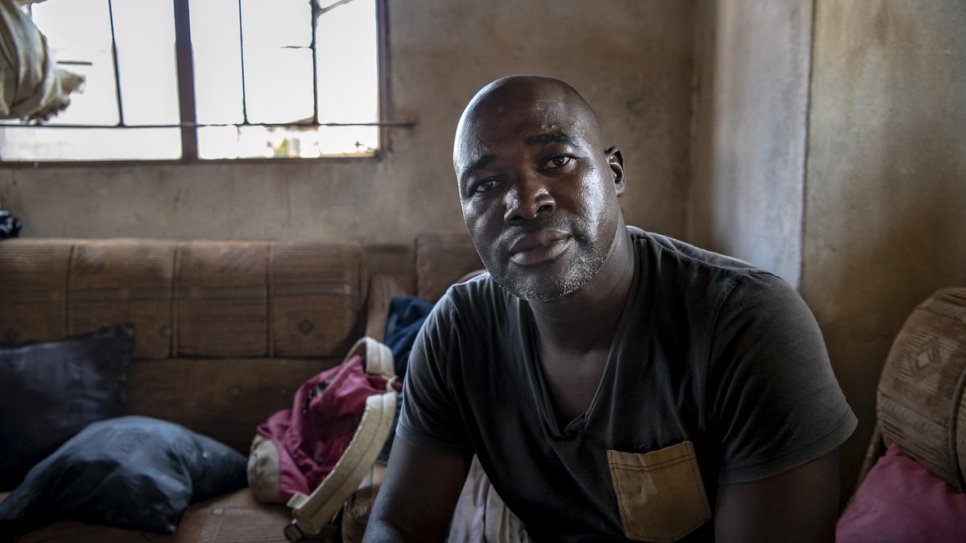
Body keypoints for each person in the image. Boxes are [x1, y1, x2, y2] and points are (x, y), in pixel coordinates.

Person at [364, 75, 856, 542]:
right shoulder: (458, 330)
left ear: (614, 173)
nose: (525, 202)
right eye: (485, 185)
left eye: (555, 160)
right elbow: (400, 524)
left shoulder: (748, 325)